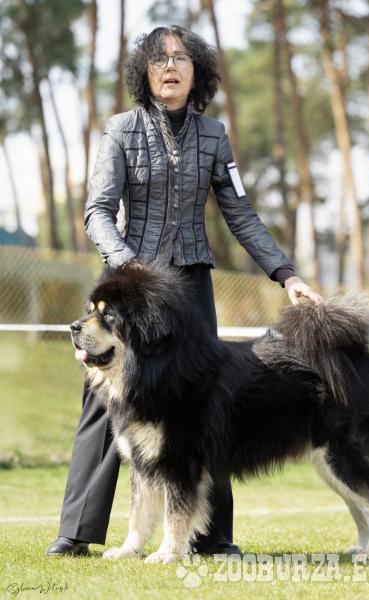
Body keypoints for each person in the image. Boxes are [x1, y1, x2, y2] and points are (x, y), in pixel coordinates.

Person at [47, 25, 322, 557]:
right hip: (130, 287)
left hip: (191, 285)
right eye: (159, 59)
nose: (169, 66)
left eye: (180, 58)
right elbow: (97, 210)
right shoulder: (120, 129)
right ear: (144, 72)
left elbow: (241, 214)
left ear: (198, 72)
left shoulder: (214, 135)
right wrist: (125, 261)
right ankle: (77, 530)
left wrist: (286, 275)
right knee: (106, 401)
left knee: (211, 403)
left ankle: (214, 538)